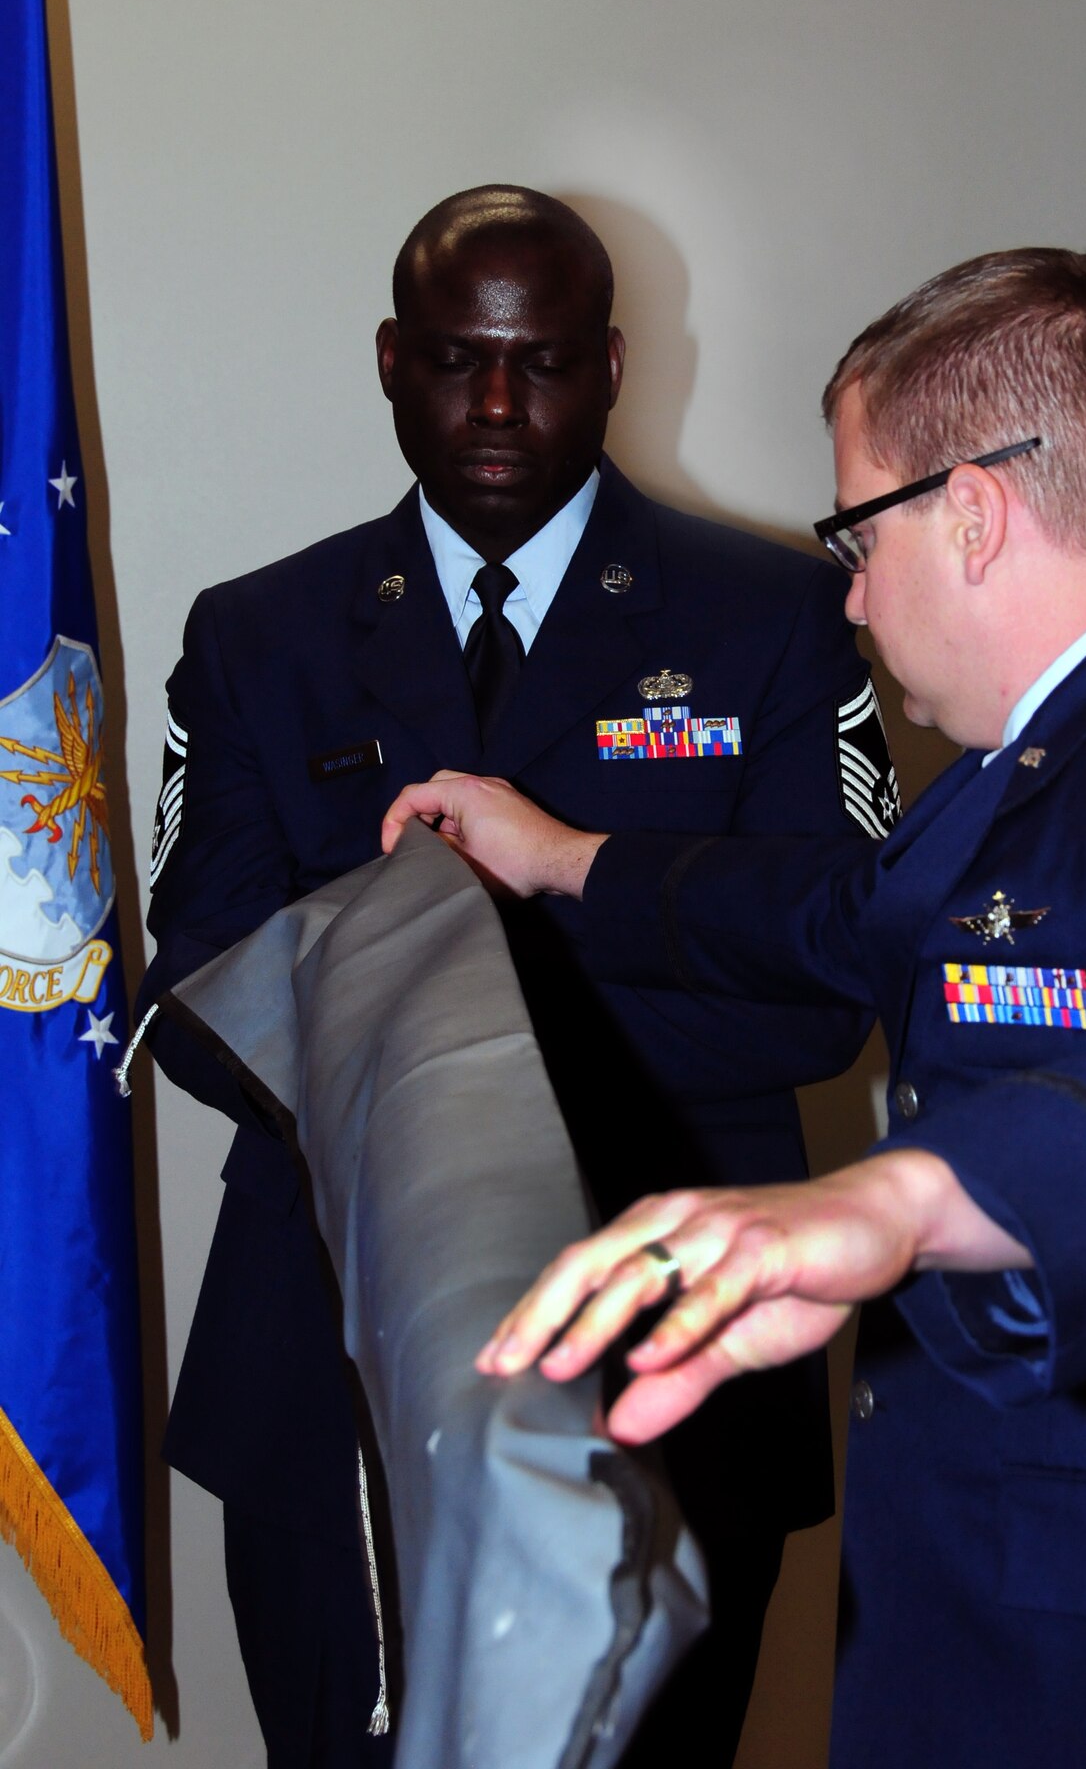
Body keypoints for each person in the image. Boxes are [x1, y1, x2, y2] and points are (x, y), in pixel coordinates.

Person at [384, 247, 1086, 1769]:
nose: (852, 592)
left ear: (973, 514)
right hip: (990, 1592)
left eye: (859, 533)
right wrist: (563, 856)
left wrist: (902, 1200)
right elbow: (840, 910)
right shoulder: (1060, 749)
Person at [136, 185, 897, 1767]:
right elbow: (201, 990)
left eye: (541, 363)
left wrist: (499, 940)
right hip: (328, 1356)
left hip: (671, 1349)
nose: (495, 405)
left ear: (609, 366)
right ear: (388, 359)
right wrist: (490, 1006)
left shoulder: (773, 622)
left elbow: (824, 988)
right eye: (453, 360)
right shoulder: (263, 633)